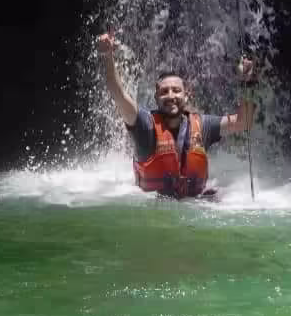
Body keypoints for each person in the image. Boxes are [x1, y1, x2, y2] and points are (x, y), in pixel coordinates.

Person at [97, 32, 256, 198]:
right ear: (156, 98)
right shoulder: (145, 125)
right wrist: (108, 56)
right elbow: (118, 94)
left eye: (176, 91)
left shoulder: (202, 125)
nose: (171, 96)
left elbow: (243, 122)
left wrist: (249, 82)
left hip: (196, 208)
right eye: (164, 92)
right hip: (152, 211)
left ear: (186, 96)